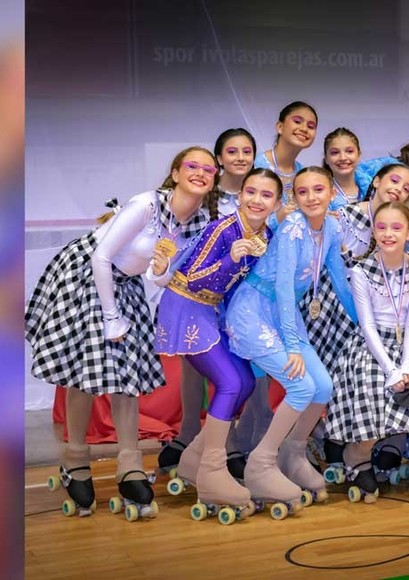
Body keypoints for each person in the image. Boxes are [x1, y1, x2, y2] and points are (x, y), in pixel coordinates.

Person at [26, 146, 219, 518]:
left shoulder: (197, 224)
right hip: (87, 275)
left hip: (126, 282)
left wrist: (161, 267)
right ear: (176, 173)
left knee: (126, 374)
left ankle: (129, 460)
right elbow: (101, 255)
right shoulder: (147, 205)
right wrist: (111, 316)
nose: (200, 172)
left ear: (213, 179)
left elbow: (159, 276)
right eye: (191, 166)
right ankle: (75, 456)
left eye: (208, 169)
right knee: (84, 370)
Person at [225, 167, 356, 513]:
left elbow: (340, 282)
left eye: (318, 190)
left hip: (285, 315)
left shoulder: (331, 227)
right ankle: (260, 464)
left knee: (322, 387)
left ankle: (291, 453)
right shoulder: (292, 230)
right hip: (254, 310)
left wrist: (364, 324)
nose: (311, 197)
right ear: (293, 198)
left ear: (331, 193)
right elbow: (283, 287)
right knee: (300, 386)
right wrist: (294, 346)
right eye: (302, 192)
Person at [156, 168, 281, 519]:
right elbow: (192, 277)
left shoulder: (267, 235)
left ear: (276, 202)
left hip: (214, 312)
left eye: (266, 195)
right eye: (251, 192)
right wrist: (232, 257)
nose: (257, 200)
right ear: (240, 195)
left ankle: (195, 460)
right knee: (228, 383)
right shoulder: (223, 228)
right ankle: (212, 472)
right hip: (185, 306)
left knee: (243, 382)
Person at [325, 202, 409, 503]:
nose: (388, 234)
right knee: (370, 385)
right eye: (381, 227)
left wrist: (406, 365)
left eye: (396, 228)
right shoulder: (362, 270)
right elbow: (366, 324)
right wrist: (390, 369)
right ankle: (359, 450)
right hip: (372, 345)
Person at [158, 128, 257, 480]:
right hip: (198, 297)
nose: (240, 158)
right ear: (218, 160)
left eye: (248, 151)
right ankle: (196, 439)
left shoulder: (258, 196)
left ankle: (219, 442)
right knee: (202, 367)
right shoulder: (206, 201)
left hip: (234, 297)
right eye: (232, 151)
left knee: (238, 376)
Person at [254, 101, 318, 206]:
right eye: (297, 121)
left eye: (311, 126)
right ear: (280, 127)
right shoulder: (256, 165)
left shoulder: (303, 173)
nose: (304, 129)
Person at [322, 127, 365, 210]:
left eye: (349, 151)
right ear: (326, 158)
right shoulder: (319, 194)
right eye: (335, 153)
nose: (343, 158)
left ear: (359, 155)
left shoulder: (374, 190)